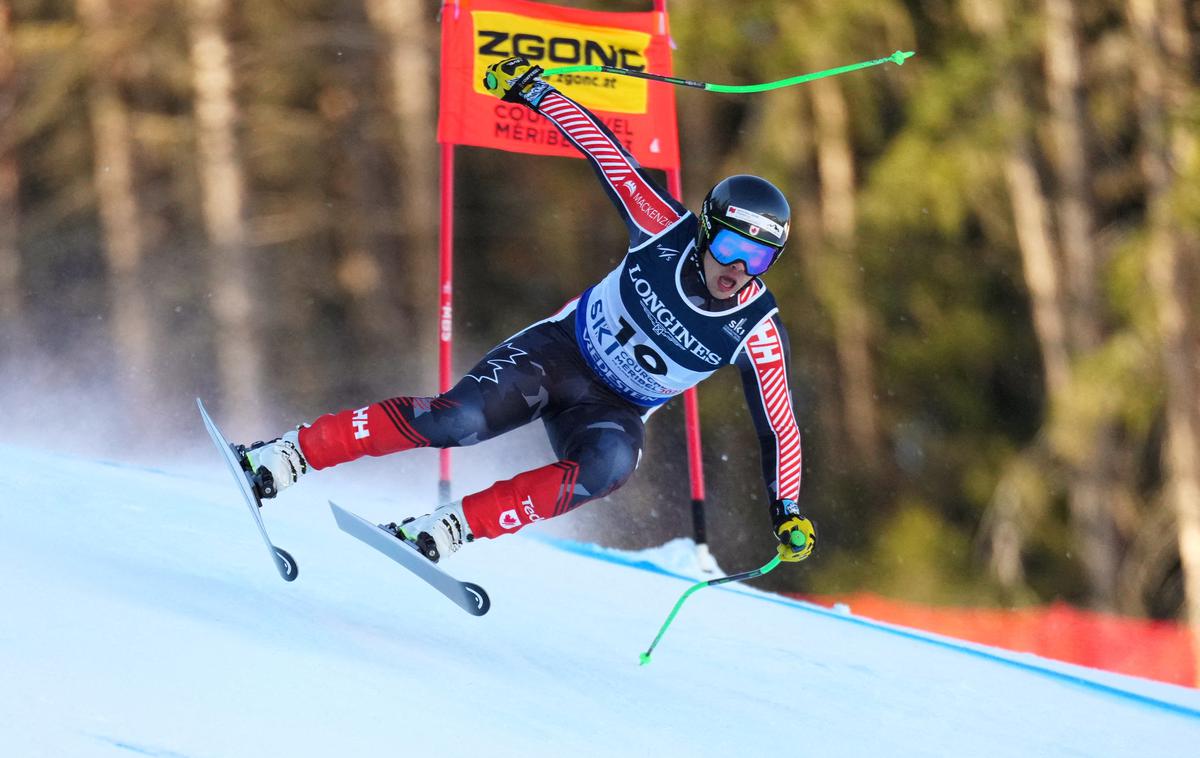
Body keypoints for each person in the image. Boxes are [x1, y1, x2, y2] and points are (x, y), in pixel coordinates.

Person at [240, 56, 816, 566]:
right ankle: (286, 455)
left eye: (760, 257)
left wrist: (786, 508)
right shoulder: (663, 227)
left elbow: (780, 425)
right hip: (558, 356)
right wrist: (534, 91)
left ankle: (447, 530)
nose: (738, 268)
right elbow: (605, 153)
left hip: (613, 409)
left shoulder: (757, 329)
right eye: (730, 248)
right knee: (453, 422)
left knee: (610, 468)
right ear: (706, 231)